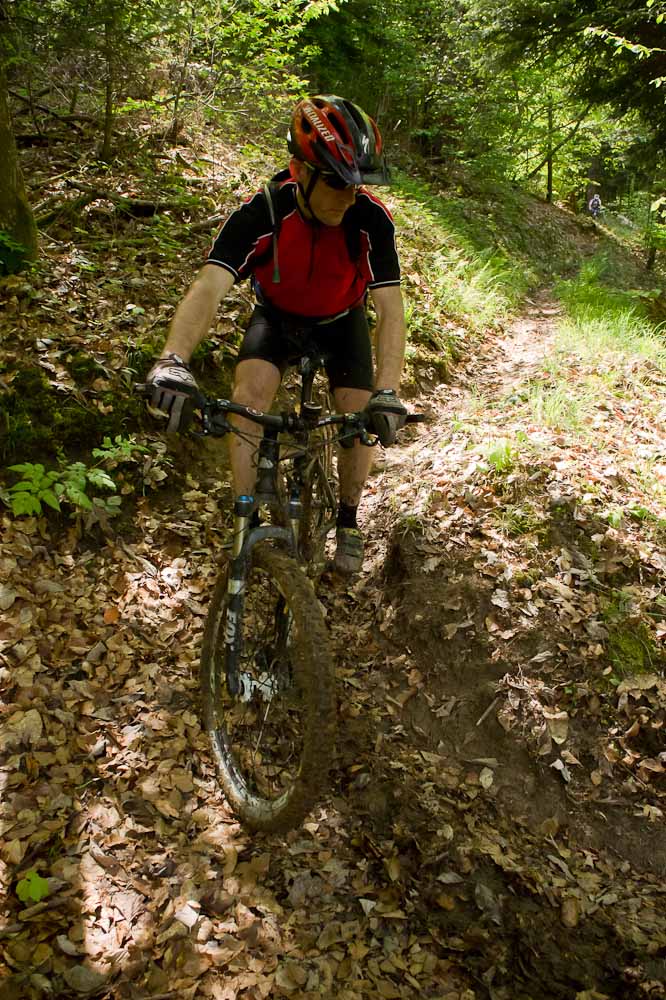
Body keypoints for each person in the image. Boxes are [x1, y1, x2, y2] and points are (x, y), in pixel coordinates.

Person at [146, 95, 408, 575]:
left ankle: (348, 519)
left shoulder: (369, 219)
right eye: (336, 181)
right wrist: (173, 359)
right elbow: (208, 287)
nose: (349, 195)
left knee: (358, 411)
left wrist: (388, 391)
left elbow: (390, 310)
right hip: (277, 317)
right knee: (248, 397)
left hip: (341, 322)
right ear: (299, 170)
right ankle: (242, 518)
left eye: (358, 183)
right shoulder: (262, 211)